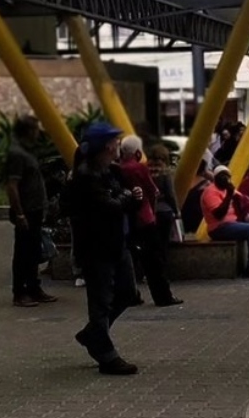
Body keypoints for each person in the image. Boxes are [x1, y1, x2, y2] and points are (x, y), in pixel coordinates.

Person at [66, 122, 144, 375]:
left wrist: (130, 198)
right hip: (96, 248)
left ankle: (94, 334)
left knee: (127, 292)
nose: (117, 147)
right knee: (100, 300)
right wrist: (128, 198)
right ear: (105, 146)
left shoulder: (111, 172)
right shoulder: (86, 176)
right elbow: (109, 205)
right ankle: (105, 353)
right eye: (114, 142)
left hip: (117, 243)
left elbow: (123, 202)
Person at [118, 136, 182, 307]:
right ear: (138, 152)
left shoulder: (118, 169)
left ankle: (131, 294)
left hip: (126, 219)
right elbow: (152, 191)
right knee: (154, 260)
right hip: (145, 218)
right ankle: (163, 296)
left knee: (130, 258)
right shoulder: (139, 168)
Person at [5, 116, 56, 306]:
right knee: (23, 253)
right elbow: (12, 185)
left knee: (33, 251)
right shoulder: (16, 154)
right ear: (27, 131)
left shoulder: (27, 152)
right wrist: (19, 213)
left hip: (35, 210)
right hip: (26, 211)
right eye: (35, 129)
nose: (38, 132)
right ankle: (20, 292)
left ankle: (34, 288)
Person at [200, 165, 249, 275]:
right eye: (222, 176)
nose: (225, 179)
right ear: (215, 178)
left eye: (227, 176)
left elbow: (244, 198)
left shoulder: (228, 188)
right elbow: (219, 215)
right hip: (219, 228)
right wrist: (228, 196)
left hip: (232, 224)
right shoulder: (210, 192)